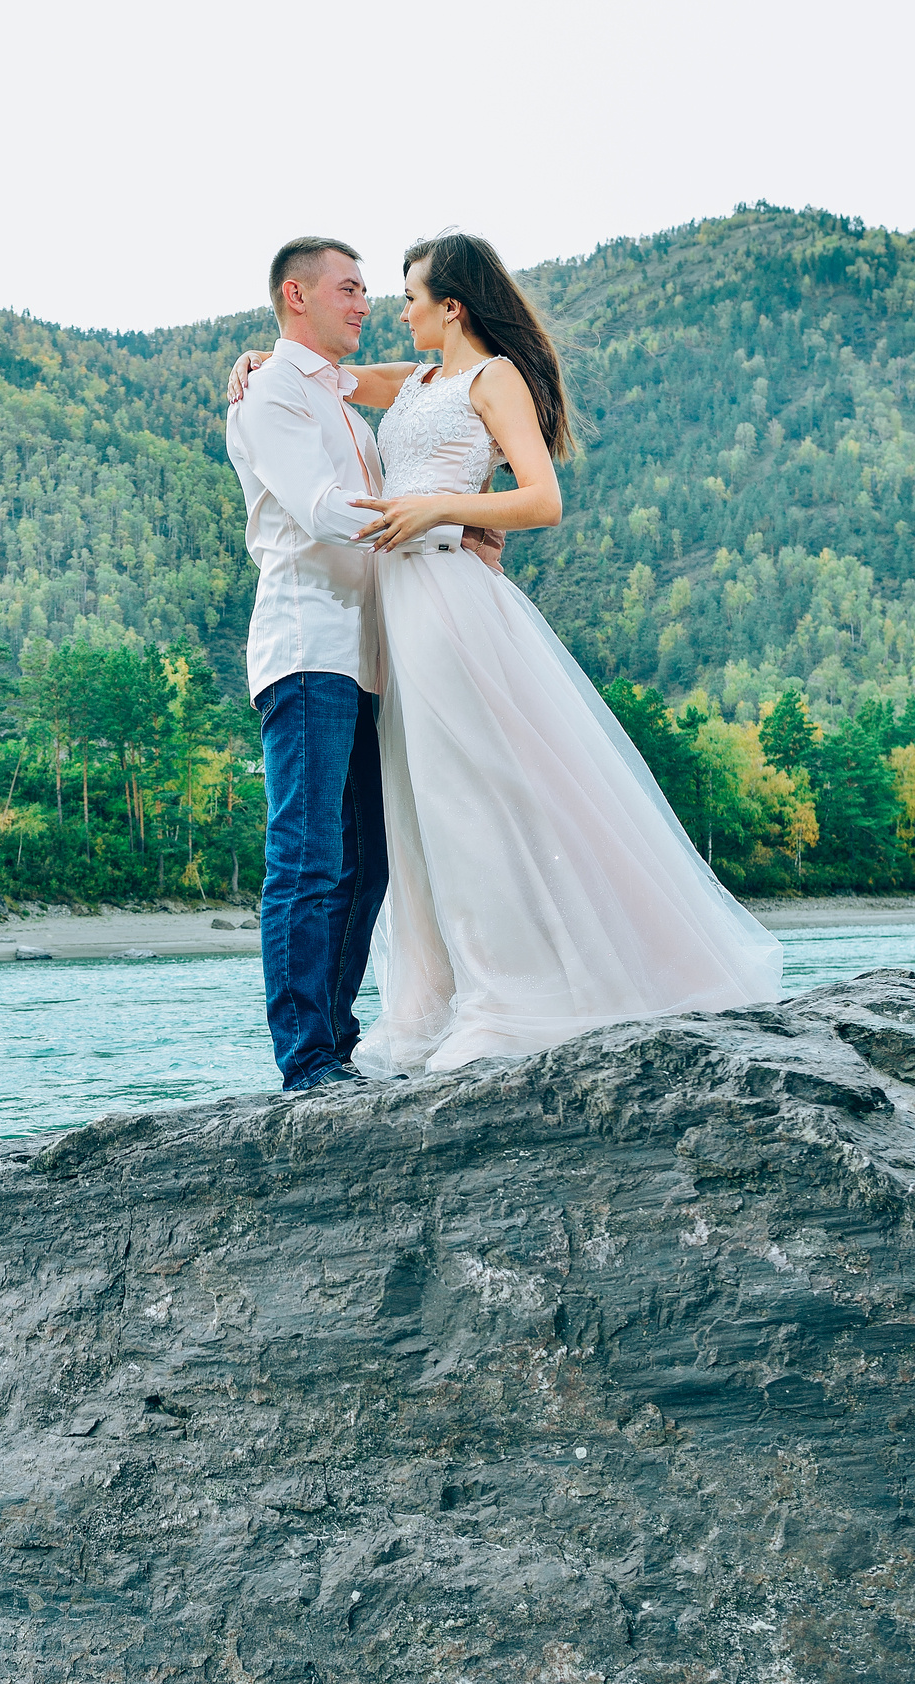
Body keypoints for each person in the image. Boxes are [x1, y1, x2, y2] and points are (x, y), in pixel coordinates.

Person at [229, 233, 781, 1076]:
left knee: (466, 799)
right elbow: (316, 384)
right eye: (363, 290)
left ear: (451, 306)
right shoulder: (409, 382)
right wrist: (261, 359)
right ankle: (391, 1022)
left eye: (405, 294)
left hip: (437, 607)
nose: (388, 307)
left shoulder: (491, 379)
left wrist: (443, 513)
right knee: (406, 823)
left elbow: (542, 496)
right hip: (380, 623)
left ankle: (505, 989)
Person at [226, 237, 501, 1090]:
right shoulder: (272, 392)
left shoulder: (332, 396)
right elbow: (317, 508)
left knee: (368, 858)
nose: (364, 303)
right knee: (306, 856)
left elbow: (388, 387)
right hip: (307, 645)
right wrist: (451, 525)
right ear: (295, 295)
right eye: (348, 289)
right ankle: (305, 1060)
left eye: (370, 290)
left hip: (370, 656)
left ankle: (335, 1041)